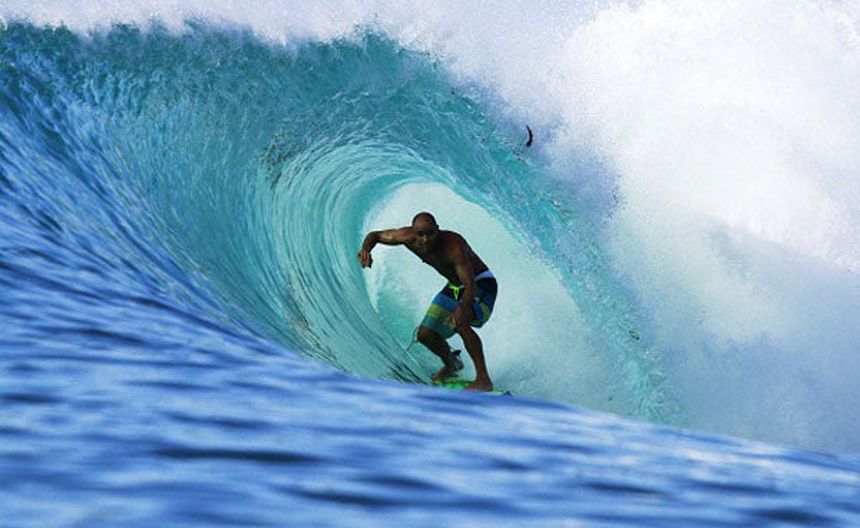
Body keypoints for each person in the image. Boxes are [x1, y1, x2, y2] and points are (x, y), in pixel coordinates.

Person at [357, 212, 497, 391]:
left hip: (480, 284)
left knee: (460, 321)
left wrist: (462, 309)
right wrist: (366, 250)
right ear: (413, 232)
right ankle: (452, 364)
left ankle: (483, 379)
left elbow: (470, 285)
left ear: (437, 230)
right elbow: (375, 236)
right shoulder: (406, 237)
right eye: (420, 234)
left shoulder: (454, 246)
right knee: (424, 334)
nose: (425, 239)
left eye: (430, 233)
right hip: (455, 286)